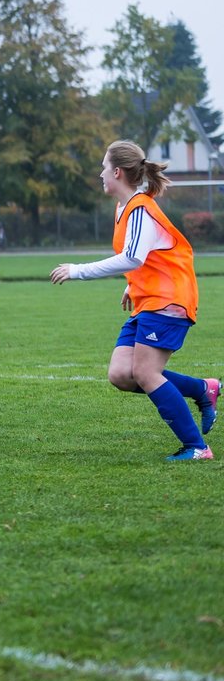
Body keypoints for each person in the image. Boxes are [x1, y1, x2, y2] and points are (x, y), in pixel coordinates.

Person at [50, 140, 217, 462]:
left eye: (103, 167)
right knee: (121, 375)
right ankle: (202, 389)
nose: (100, 174)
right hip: (149, 298)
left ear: (116, 172)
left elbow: (132, 258)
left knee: (146, 373)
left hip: (169, 300)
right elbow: (148, 259)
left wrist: (78, 270)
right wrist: (134, 285)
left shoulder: (140, 207)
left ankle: (197, 448)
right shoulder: (124, 207)